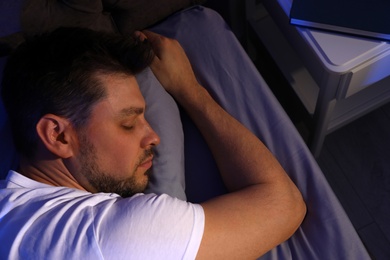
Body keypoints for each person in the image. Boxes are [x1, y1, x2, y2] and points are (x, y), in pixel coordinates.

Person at [0, 27, 306, 259]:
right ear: (58, 135)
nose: (153, 136)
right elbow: (285, 206)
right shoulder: (119, 234)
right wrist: (190, 91)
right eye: (129, 123)